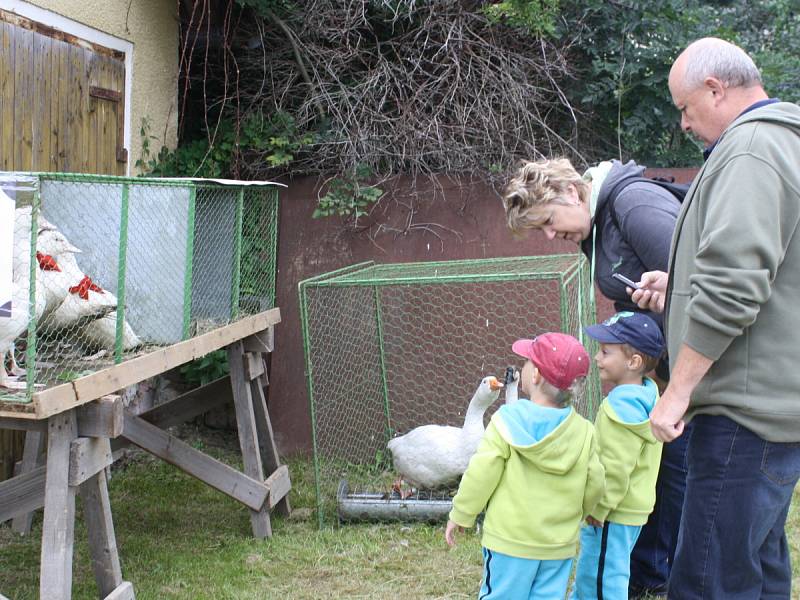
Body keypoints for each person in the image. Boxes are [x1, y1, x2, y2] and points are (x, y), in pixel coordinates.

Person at [630, 37, 800, 598]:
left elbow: (734, 285)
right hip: (771, 409)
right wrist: (678, 286)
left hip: (740, 416)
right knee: (756, 568)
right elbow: (775, 273)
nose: (683, 123)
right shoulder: (783, 143)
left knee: (708, 582)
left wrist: (676, 392)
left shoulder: (750, 149)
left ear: (715, 88)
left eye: (685, 107)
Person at [502, 158, 686, 598]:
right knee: (655, 468)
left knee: (677, 468)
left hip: (691, 371)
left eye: (547, 221)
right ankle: (648, 572)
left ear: (571, 193)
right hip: (660, 371)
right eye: (538, 230)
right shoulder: (598, 226)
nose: (549, 236)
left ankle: (666, 575)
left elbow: (703, 277)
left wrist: (670, 295)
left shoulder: (632, 204)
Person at [445, 333, 604, 600]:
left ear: (536, 376)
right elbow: (595, 481)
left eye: (528, 361)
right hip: (557, 545)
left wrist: (462, 513)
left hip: (509, 543)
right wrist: (588, 511)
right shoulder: (585, 431)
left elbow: (482, 471)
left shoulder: (506, 421)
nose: (523, 366)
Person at [570, 311, 665, 599]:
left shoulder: (619, 409)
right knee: (611, 565)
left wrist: (598, 507)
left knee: (601, 574)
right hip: (632, 507)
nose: (597, 358)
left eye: (605, 352)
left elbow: (614, 468)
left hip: (612, 510)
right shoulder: (647, 394)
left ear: (633, 362)